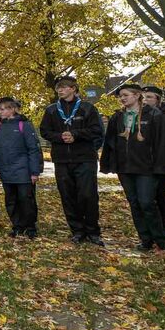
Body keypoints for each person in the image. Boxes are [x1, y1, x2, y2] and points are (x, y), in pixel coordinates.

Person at [100, 83, 165, 252]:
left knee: (147, 202)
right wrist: (108, 164)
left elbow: (161, 142)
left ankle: (160, 240)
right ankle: (145, 239)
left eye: (126, 95)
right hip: (125, 167)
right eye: (121, 96)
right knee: (134, 203)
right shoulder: (117, 117)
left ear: (137, 95)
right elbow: (110, 142)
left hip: (146, 167)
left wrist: (161, 167)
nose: (123, 98)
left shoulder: (153, 114)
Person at [39, 76, 105, 246]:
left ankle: (92, 231)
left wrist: (76, 134)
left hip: (84, 158)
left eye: (64, 87)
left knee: (87, 195)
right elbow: (45, 131)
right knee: (68, 195)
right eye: (58, 88)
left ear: (74, 88)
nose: (60, 90)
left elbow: (97, 130)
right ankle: (77, 231)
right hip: (62, 159)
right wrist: (60, 136)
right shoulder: (52, 110)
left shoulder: (87, 108)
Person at [0, 97, 43, 239]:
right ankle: (17, 225)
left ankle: (30, 226)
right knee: (11, 200)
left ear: (13, 109)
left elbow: (33, 149)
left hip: (23, 170)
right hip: (6, 171)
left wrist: (34, 171)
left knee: (26, 199)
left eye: (4, 109)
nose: (1, 112)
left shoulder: (24, 125)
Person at [143, 85, 165, 247]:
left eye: (149, 97)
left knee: (161, 196)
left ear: (158, 99)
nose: (145, 100)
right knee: (147, 199)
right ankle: (151, 231)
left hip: (163, 164)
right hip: (145, 165)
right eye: (143, 97)